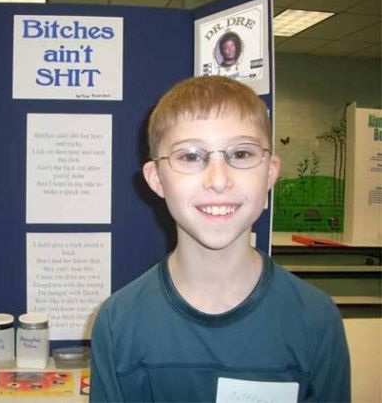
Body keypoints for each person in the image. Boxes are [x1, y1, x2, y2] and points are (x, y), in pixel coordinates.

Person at [89, 76, 350, 402]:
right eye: (190, 156)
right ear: (156, 179)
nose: (218, 180)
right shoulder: (119, 322)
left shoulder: (315, 319)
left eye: (241, 153)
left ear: (270, 172)